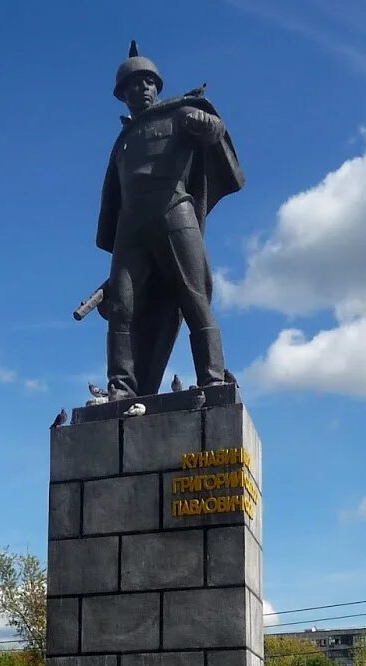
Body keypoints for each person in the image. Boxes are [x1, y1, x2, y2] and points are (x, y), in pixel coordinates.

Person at [95, 41, 244, 399]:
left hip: (175, 211)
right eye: (132, 84)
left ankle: (211, 378)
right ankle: (121, 387)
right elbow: (116, 196)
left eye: (147, 82)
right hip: (130, 229)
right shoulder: (124, 140)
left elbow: (215, 131)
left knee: (194, 297)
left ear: (156, 87)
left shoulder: (178, 115)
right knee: (122, 308)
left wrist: (204, 120)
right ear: (122, 94)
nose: (141, 88)